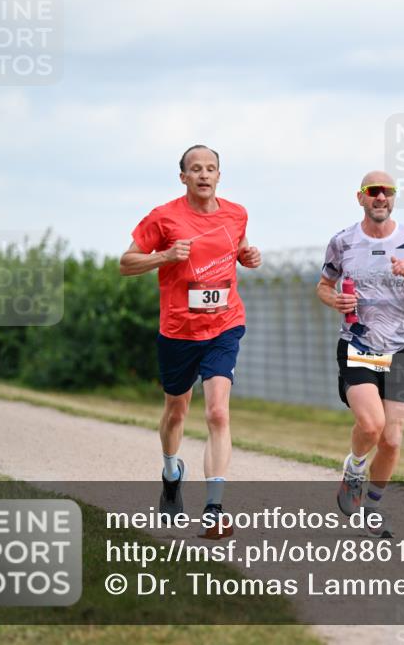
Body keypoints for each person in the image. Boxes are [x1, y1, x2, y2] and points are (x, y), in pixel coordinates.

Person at [119, 144, 261, 540]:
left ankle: (214, 509)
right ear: (182, 177)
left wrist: (248, 257)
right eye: (195, 169)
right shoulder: (163, 217)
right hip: (178, 331)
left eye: (210, 168)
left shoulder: (237, 213)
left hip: (224, 326)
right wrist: (163, 256)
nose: (203, 174)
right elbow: (126, 262)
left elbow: (238, 250)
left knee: (217, 413)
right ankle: (170, 471)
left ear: (219, 175)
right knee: (176, 413)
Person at [315, 170, 404, 538]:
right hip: (358, 344)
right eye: (373, 191)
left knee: (393, 439)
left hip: (399, 348)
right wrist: (335, 299)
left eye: (388, 192)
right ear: (361, 197)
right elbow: (322, 285)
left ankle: (373, 507)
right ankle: (354, 469)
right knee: (371, 425)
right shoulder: (343, 242)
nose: (381, 197)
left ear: (393, 198)